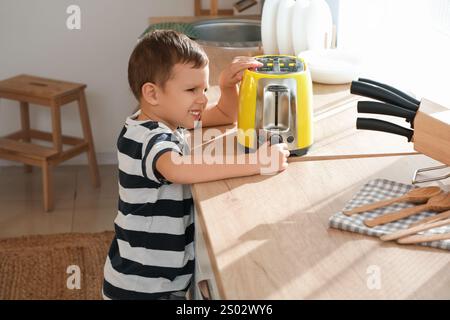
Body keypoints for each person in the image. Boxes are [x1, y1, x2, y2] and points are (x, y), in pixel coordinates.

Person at [102, 30, 290, 300]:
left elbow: (226, 114)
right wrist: (256, 162)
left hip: (161, 281)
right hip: (141, 287)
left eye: (203, 88)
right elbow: (176, 169)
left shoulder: (168, 122)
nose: (202, 98)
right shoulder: (148, 137)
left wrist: (226, 86)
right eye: (192, 90)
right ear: (152, 93)